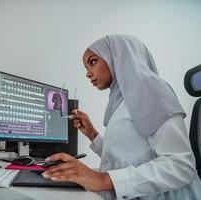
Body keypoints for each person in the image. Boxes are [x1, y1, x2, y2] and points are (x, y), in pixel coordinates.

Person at [42, 34, 201, 199]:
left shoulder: (151, 88)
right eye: (86, 68)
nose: (88, 73)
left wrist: (103, 179)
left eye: (93, 61)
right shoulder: (123, 100)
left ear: (117, 56)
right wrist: (91, 133)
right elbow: (127, 156)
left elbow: (181, 166)